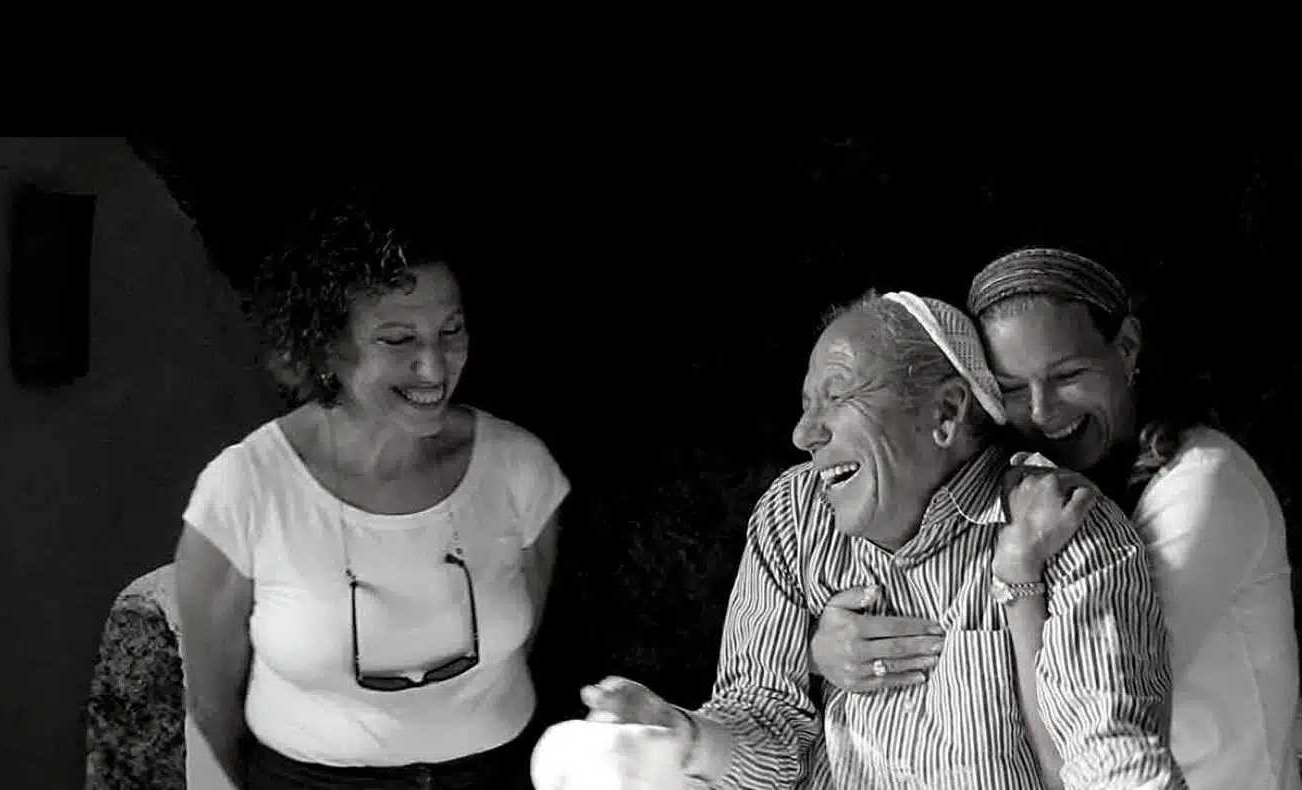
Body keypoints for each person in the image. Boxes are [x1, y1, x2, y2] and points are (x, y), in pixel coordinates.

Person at [531, 290, 1185, 789]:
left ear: (946, 414)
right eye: (806, 404)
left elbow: (1105, 741)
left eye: (835, 397)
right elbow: (768, 719)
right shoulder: (795, 514)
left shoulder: (1068, 529)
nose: (803, 433)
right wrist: (683, 736)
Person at [810, 248, 1300, 789]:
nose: (1043, 413)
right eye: (1014, 389)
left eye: (1067, 375)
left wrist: (1018, 574)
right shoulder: (1030, 494)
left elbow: (1066, 740)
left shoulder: (1204, 484)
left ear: (1128, 347)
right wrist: (826, 651)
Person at [174, 187, 570, 790]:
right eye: (398, 340)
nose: (435, 368)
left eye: (451, 331)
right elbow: (209, 713)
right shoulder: (243, 489)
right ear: (329, 347)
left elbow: (524, 640)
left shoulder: (520, 468)